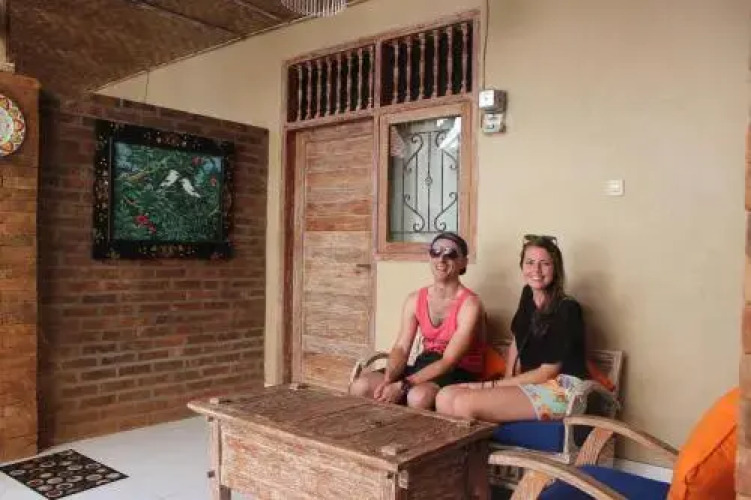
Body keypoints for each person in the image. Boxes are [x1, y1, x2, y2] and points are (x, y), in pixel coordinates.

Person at [435, 234, 588, 422]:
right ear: (522, 266)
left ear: (555, 268)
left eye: (545, 264)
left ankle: (478, 441)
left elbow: (547, 372)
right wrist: (507, 379)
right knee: (445, 396)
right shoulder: (528, 295)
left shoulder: (568, 309)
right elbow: (517, 339)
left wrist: (491, 386)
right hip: (533, 384)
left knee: (463, 403)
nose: (536, 270)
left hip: (562, 390)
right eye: (530, 262)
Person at [348, 231, 485, 409]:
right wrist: (389, 380)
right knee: (362, 386)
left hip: (458, 371)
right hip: (424, 364)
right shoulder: (414, 299)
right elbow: (401, 347)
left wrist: (404, 385)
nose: (441, 259)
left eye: (450, 253)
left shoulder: (470, 304)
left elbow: (449, 361)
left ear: (463, 262)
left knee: (418, 397)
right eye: (435, 252)